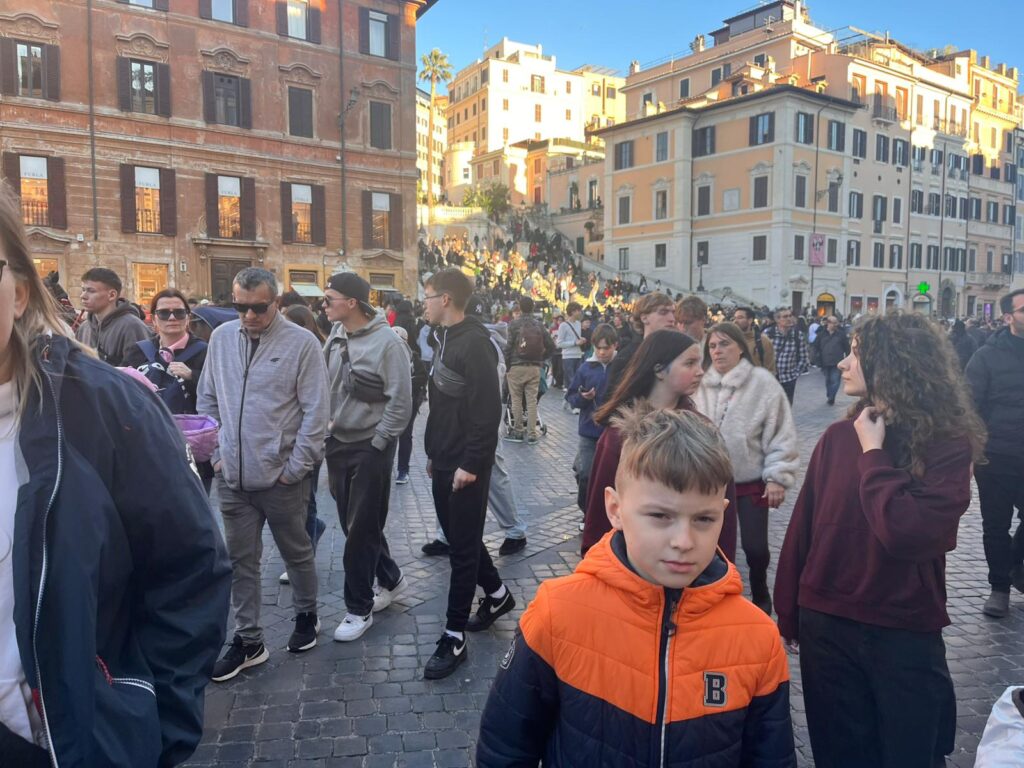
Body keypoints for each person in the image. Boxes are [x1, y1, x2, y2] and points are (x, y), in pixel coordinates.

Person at [0, 186, 230, 765]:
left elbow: (188, 570)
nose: (168, 321)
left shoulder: (106, 405)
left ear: (20, 293)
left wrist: (147, 730)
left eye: (175, 313)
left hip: (65, 739)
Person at [477, 408, 796, 766]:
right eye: (660, 516)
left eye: (704, 519)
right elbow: (505, 746)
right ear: (615, 509)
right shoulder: (557, 614)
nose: (684, 541)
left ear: (723, 513)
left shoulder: (758, 639)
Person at [774, 312, 986, 766]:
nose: (844, 363)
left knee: (910, 752)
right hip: (827, 620)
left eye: (856, 354)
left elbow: (907, 532)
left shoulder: (947, 444)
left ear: (892, 363)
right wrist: (788, 608)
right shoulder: (837, 436)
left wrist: (873, 453)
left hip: (902, 623)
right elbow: (806, 524)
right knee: (839, 753)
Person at [198, 267, 330, 681]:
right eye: (241, 307)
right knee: (241, 562)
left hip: (282, 479)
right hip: (232, 478)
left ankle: (306, 614)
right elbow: (207, 400)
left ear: (276, 302)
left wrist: (295, 468)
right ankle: (249, 639)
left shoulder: (302, 344)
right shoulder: (221, 339)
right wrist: (217, 456)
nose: (249, 315)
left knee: (296, 551)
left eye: (258, 307)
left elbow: (316, 412)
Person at [421, 269, 514, 679]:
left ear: (445, 299)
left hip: (465, 465)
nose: (423, 304)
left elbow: (487, 414)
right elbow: (441, 406)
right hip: (444, 457)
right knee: (463, 539)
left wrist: (471, 464)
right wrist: (434, 453)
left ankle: (453, 635)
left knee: (461, 551)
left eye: (427, 296)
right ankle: (497, 594)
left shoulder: (475, 344)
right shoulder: (442, 337)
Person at [581, 330, 737, 561]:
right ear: (659, 369)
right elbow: (599, 512)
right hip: (631, 564)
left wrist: (723, 565)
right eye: (690, 363)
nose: (700, 371)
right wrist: (595, 561)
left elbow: (723, 508)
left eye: (699, 363)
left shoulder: (704, 429)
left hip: (692, 565)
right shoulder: (619, 435)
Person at [321, 272, 412, 642]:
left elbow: (401, 401)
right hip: (337, 441)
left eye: (329, 299)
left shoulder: (388, 344)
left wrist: (379, 442)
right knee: (354, 523)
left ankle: (358, 607)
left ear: (352, 302)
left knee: (359, 529)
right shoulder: (336, 334)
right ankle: (391, 577)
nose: (323, 305)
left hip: (371, 445)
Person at [695, 322, 799, 615]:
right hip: (711, 482)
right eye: (712, 346)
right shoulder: (701, 384)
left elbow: (780, 431)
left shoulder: (763, 383)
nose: (717, 351)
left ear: (741, 346)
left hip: (749, 480)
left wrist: (777, 476)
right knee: (713, 545)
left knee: (755, 548)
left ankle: (760, 588)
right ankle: (715, 597)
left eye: (724, 344)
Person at [421, 295, 529, 556]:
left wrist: (480, 435)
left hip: (478, 426)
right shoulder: (446, 336)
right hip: (451, 427)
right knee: (447, 480)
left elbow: (486, 395)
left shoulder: (479, 343)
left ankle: (514, 530)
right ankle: (445, 534)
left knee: (493, 473)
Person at [966, 288, 1024, 618]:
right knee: (996, 525)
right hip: (997, 455)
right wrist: (974, 448)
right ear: (1008, 317)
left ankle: (1014, 563)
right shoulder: (986, 356)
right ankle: (999, 588)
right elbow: (969, 406)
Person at [278, 304, 328, 584]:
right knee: (302, 502)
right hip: (286, 439)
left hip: (306, 438)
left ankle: (305, 553)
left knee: (305, 502)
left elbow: (316, 402)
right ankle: (312, 534)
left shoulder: (311, 349)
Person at [565, 323, 617, 524]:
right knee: (586, 473)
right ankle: (587, 513)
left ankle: (604, 514)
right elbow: (571, 397)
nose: (602, 352)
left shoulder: (621, 366)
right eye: (598, 348)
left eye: (606, 348)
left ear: (615, 345)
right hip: (589, 431)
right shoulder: (586, 368)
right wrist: (583, 397)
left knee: (609, 476)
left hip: (613, 431)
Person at [505, 296, 555, 445]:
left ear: (520, 307)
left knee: (516, 400)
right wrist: (541, 359)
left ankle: (518, 432)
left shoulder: (514, 324)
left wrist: (507, 365)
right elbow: (551, 346)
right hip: (534, 367)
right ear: (533, 308)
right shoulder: (539, 325)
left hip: (516, 366)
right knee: (531, 401)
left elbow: (508, 347)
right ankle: (532, 434)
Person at [74, 267, 150, 366]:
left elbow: (141, 370)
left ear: (112, 295)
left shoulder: (133, 327)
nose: (83, 296)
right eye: (83, 290)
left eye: (91, 291)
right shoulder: (84, 328)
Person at [605, 292, 677, 393]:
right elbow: (612, 398)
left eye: (673, 312)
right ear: (644, 318)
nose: (672, 319)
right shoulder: (628, 357)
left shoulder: (678, 353)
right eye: (663, 312)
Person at [764, 307, 807, 405]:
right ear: (777, 319)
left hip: (789, 379)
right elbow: (761, 355)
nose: (789, 318)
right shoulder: (768, 334)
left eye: (790, 316)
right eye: (785, 316)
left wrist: (795, 374)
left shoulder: (797, 335)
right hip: (771, 379)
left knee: (786, 407)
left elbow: (804, 358)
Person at [811, 315, 850, 405]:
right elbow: (815, 346)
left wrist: (848, 359)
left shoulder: (841, 334)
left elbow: (847, 348)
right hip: (825, 361)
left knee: (835, 380)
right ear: (828, 323)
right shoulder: (821, 334)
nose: (836, 324)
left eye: (837, 323)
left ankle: (832, 397)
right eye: (834, 323)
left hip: (837, 361)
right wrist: (815, 358)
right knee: (828, 380)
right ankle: (830, 394)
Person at [732, 305, 776, 375]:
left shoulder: (763, 341)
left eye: (740, 318)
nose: (735, 321)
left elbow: (770, 370)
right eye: (735, 318)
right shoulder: (729, 340)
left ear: (750, 320)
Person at [555, 301, 586, 392]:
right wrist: (575, 343)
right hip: (568, 356)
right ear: (572, 312)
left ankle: (575, 398)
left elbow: (576, 338)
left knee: (578, 380)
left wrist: (581, 339)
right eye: (578, 311)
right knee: (571, 381)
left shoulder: (578, 324)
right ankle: (570, 398)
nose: (580, 313)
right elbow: (559, 343)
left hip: (578, 355)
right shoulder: (563, 326)